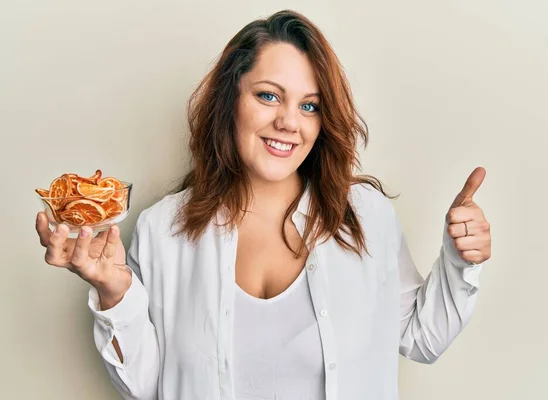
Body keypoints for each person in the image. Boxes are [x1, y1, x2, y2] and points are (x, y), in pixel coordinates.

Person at [35, 9, 492, 400]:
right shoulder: (164, 230)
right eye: (268, 95)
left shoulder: (365, 216)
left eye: (310, 106)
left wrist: (460, 258)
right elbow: (148, 386)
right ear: (230, 100)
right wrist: (115, 294)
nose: (288, 122)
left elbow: (422, 337)